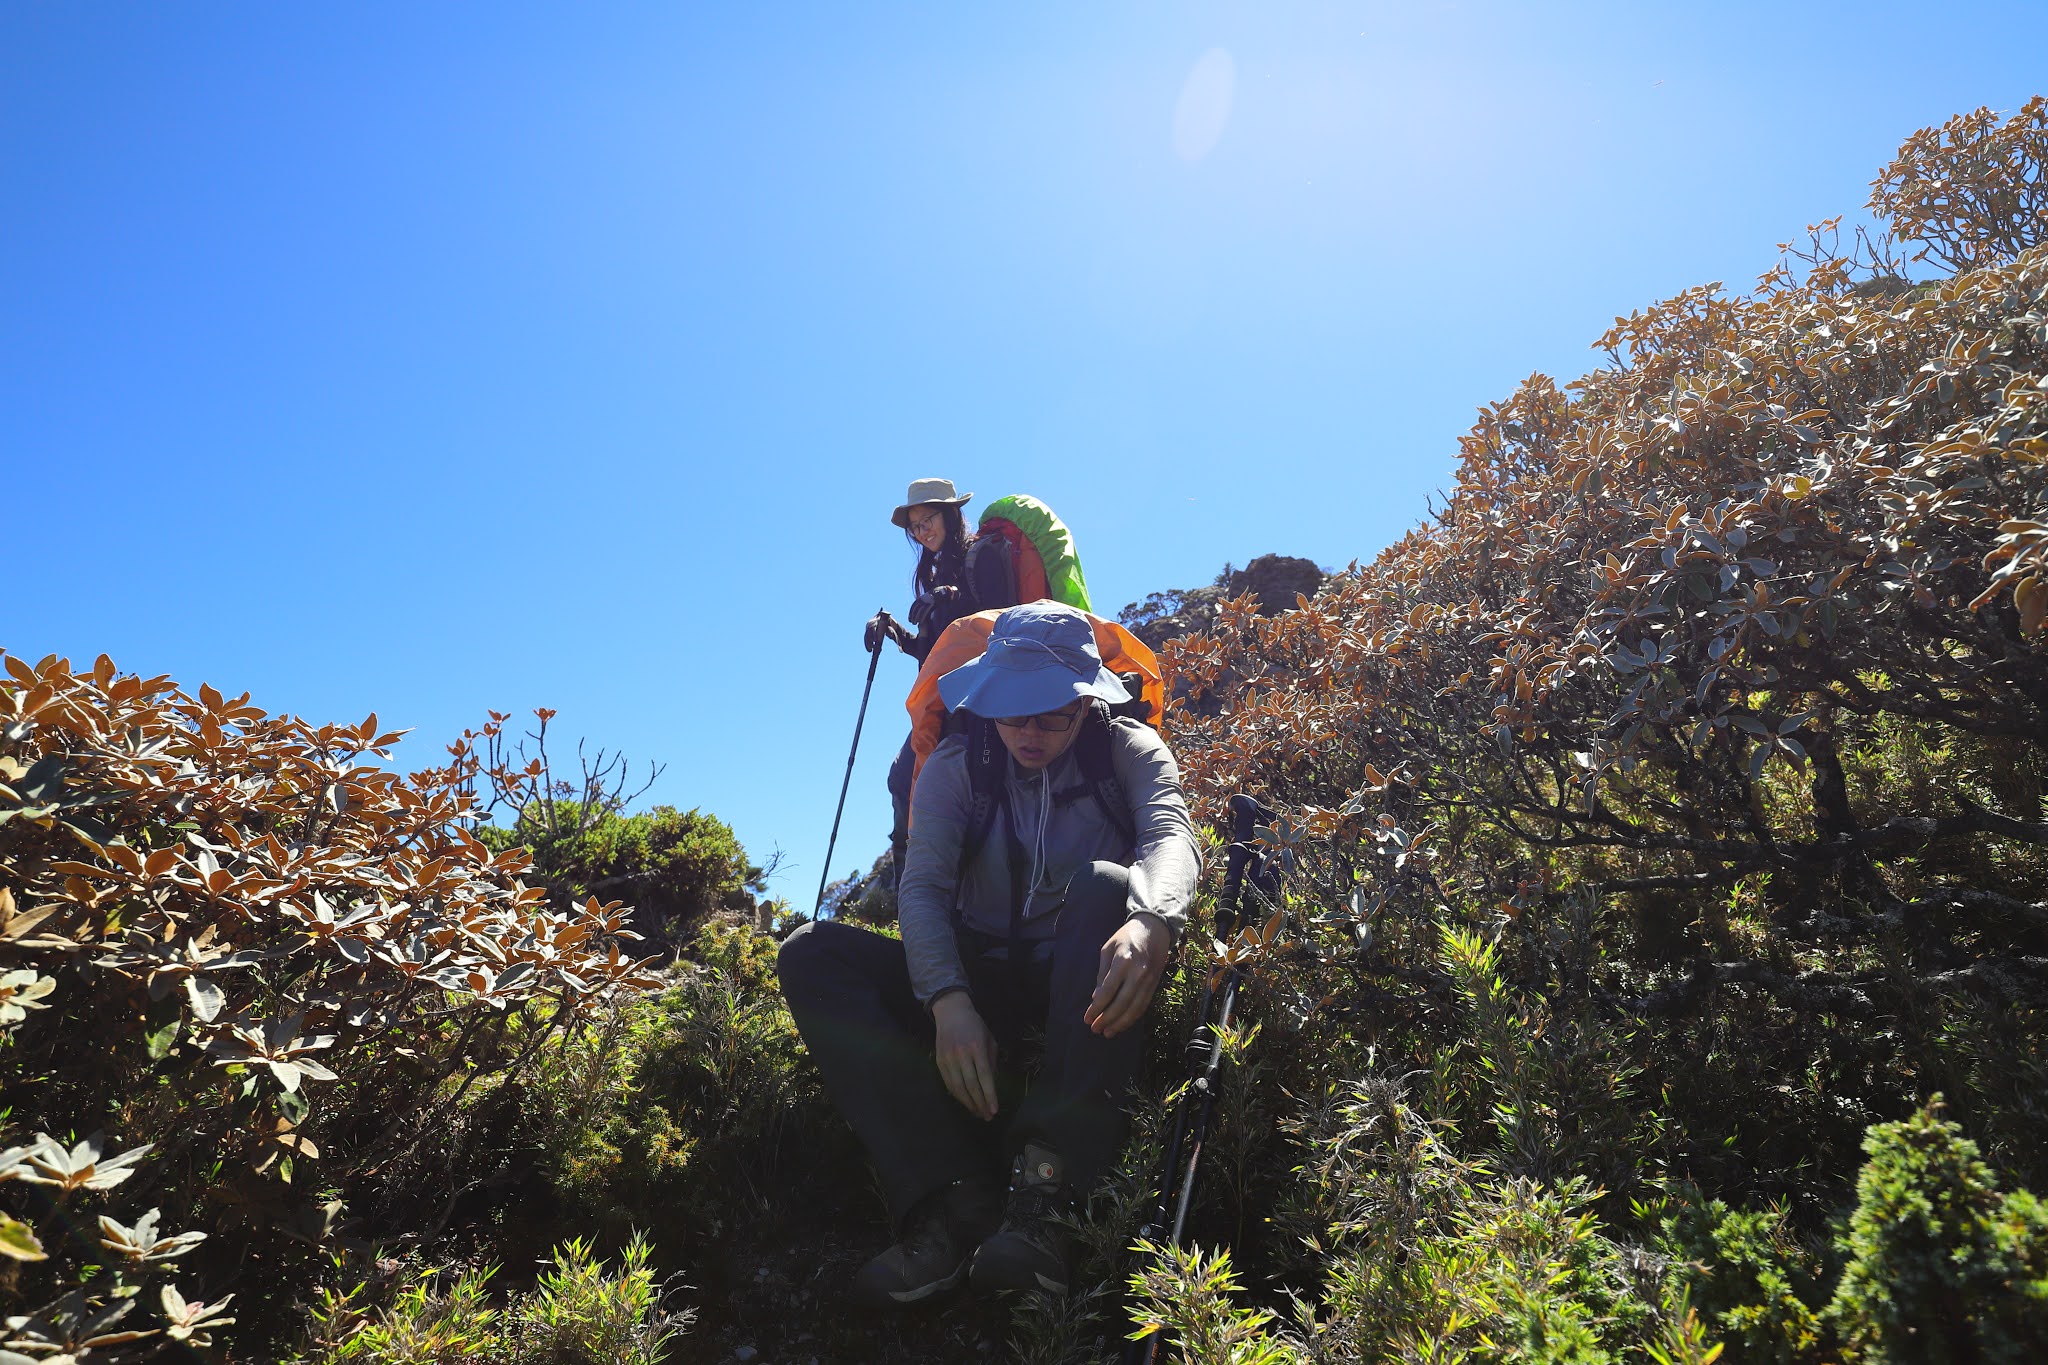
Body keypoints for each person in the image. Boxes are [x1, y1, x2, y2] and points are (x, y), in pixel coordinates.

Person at [780, 602, 1201, 1304]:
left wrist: (1152, 919)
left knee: (1107, 887)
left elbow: (1170, 835)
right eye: (1013, 712)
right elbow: (923, 886)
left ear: (1088, 697)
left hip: (1079, 983)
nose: (1029, 733)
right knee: (810, 954)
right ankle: (955, 1201)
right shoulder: (957, 762)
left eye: (1053, 714)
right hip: (977, 980)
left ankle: (1047, 1205)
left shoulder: (1124, 749)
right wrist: (948, 999)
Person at [864, 478, 1019, 885]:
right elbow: (932, 651)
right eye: (914, 526)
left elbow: (1004, 623)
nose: (921, 531)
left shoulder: (981, 556)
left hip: (978, 702)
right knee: (903, 781)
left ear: (950, 514)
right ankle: (912, 900)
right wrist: (894, 631)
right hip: (943, 700)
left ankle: (918, 895)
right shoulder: (937, 576)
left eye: (927, 519)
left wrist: (956, 600)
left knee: (908, 781)